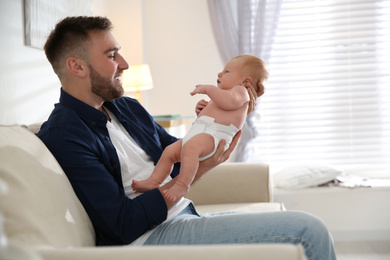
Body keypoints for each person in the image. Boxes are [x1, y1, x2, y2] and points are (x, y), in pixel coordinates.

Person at [38, 16, 336, 260]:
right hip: (148, 240)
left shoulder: (125, 108)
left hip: (181, 217)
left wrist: (214, 122)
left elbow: (178, 155)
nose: (125, 63)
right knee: (309, 231)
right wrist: (198, 172)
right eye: (112, 55)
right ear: (76, 66)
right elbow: (122, 225)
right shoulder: (66, 134)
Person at [131, 55, 267, 201]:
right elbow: (216, 111)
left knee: (191, 148)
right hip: (201, 131)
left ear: (245, 81)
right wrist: (201, 110)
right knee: (170, 151)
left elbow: (229, 102)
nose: (220, 74)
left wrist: (209, 89)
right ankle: (154, 180)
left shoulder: (241, 92)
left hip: (215, 135)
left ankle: (182, 184)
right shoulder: (223, 95)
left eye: (227, 72)